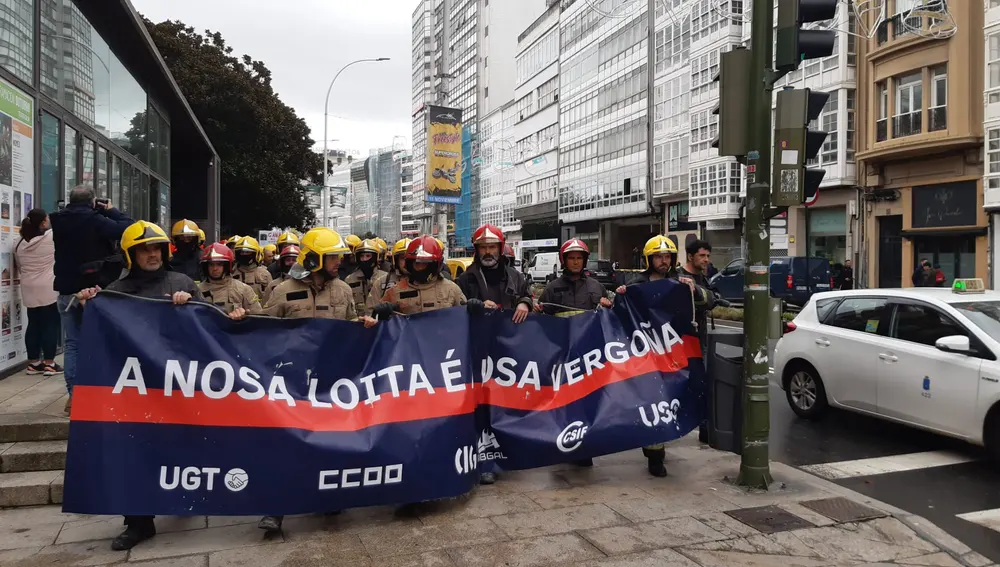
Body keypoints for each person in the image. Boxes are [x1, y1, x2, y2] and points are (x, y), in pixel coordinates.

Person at [75, 221, 244, 552]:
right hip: (136, 390)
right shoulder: (117, 291)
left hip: (177, 386)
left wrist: (199, 308)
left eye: (156, 248)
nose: (151, 255)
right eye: (143, 250)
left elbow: (207, 328)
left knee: (179, 446)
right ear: (130, 254)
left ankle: (181, 498)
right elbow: (99, 338)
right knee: (134, 452)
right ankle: (138, 522)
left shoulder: (181, 283)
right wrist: (87, 309)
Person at [258, 227, 376, 532]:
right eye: (332, 257)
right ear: (314, 259)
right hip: (292, 381)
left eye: (338, 256)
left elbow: (348, 325)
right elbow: (261, 332)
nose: (338, 262)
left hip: (330, 381)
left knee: (332, 440)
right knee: (285, 445)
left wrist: (361, 325)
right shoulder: (282, 290)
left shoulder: (344, 290)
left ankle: (330, 497)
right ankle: (275, 508)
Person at [615, 235, 701, 478]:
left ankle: (660, 444)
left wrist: (694, 290)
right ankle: (655, 456)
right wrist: (620, 295)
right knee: (652, 401)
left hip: (673, 354)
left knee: (671, 400)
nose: (663, 261)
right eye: (658, 257)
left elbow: (707, 300)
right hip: (645, 354)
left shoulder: (681, 282)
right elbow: (619, 316)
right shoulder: (636, 284)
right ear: (649, 259)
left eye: (667, 257)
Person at [456, 225, 532, 485]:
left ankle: (510, 453)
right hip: (477, 351)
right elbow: (454, 307)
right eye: (483, 247)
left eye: (492, 247)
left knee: (508, 403)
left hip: (509, 351)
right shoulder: (466, 279)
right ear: (476, 250)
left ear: (501, 248)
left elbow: (528, 294)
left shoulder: (515, 276)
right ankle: (485, 459)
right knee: (482, 407)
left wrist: (525, 303)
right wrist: (470, 306)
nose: (488, 252)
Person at [50, 186, 133, 413]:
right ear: (93, 201)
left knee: (73, 344)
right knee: (103, 340)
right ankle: (103, 392)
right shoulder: (96, 220)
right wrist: (112, 211)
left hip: (67, 290)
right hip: (96, 290)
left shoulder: (57, 219)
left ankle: (74, 396)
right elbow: (129, 228)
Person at [534, 238, 611, 468]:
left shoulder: (597, 287)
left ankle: (583, 447)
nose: (576, 262)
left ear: (584, 260)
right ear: (564, 260)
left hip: (589, 356)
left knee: (587, 402)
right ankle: (560, 444)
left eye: (579, 258)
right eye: (571, 258)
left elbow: (607, 322)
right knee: (562, 403)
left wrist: (609, 306)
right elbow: (542, 323)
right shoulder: (552, 288)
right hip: (562, 356)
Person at [14, 209, 61, 377]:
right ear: (42, 223)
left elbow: (19, 266)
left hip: (28, 287)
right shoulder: (49, 239)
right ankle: (49, 363)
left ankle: (33, 363)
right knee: (50, 325)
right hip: (48, 287)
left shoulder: (18, 244)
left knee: (33, 324)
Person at [375, 235, 467, 317]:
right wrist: (380, 315)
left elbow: (465, 320)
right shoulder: (395, 291)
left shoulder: (452, 289)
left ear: (435, 264)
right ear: (410, 264)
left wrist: (474, 311)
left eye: (425, 263)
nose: (420, 268)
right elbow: (374, 322)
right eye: (416, 263)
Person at [198, 243, 262, 315]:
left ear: (227, 266)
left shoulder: (243, 289)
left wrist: (244, 318)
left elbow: (258, 317)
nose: (215, 268)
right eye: (211, 264)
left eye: (219, 264)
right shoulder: (197, 290)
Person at [344, 239, 385, 317]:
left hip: (380, 324)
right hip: (358, 324)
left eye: (368, 256)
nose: (364, 259)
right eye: (362, 256)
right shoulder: (349, 280)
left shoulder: (385, 278)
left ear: (375, 257)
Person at [368, 238, 410, 308]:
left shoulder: (424, 282)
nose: (406, 262)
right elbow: (370, 310)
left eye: (409, 258)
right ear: (396, 260)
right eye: (403, 258)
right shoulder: (381, 282)